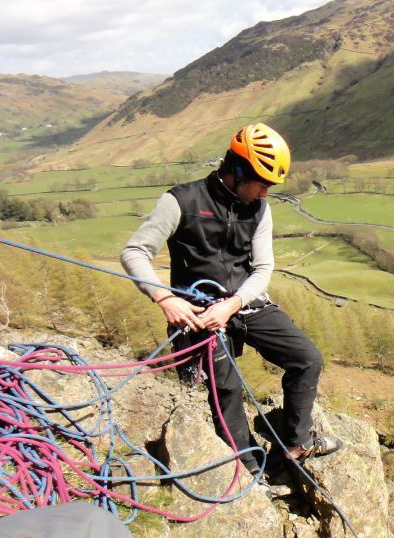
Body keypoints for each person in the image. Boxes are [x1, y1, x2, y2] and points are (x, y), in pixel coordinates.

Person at [120, 123, 342, 482]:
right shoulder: (181, 201)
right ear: (237, 171)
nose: (266, 193)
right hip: (196, 310)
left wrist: (234, 303)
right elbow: (134, 251)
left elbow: (263, 268)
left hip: (243, 302)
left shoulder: (259, 210)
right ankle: (251, 466)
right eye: (262, 183)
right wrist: (165, 297)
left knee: (307, 359)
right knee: (225, 387)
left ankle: (295, 445)